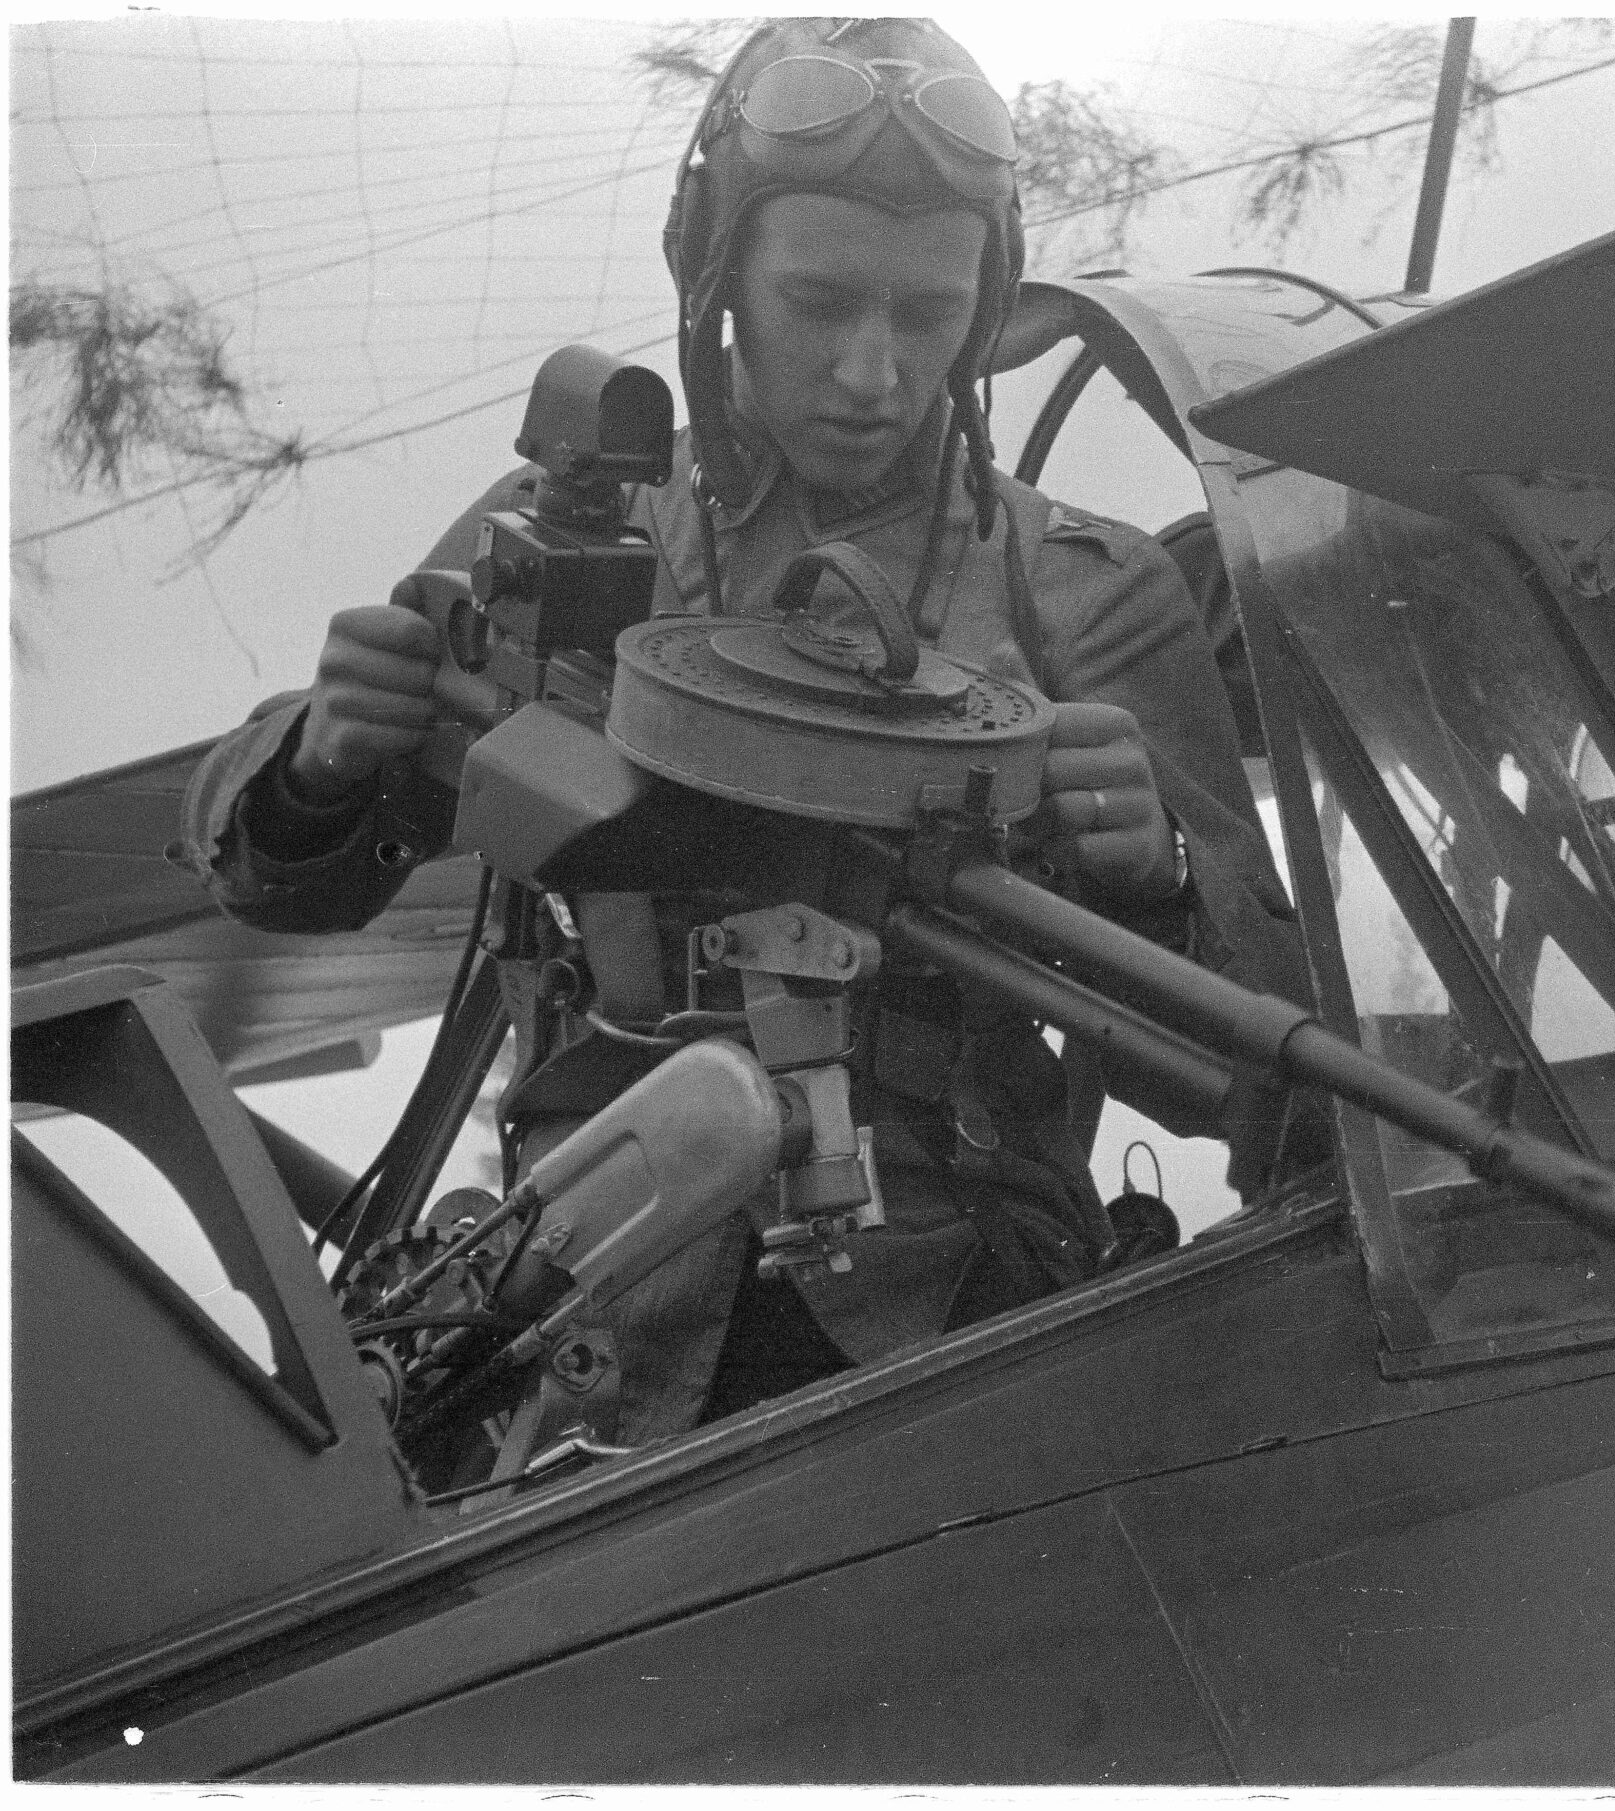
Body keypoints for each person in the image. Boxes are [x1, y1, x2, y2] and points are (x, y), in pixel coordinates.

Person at [175, 17, 1302, 1458]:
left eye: (929, 312)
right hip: (584, 1339)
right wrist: (323, 757)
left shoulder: (1084, 592)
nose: (874, 371)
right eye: (818, 301)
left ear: (984, 308)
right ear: (716, 280)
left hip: (969, 1337)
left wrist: (1157, 882)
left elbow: (1269, 1079)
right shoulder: (571, 537)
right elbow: (275, 885)